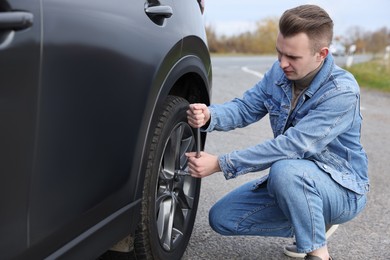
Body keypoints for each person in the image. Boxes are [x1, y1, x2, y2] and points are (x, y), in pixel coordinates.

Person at [185, 4, 369, 260]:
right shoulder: (278, 72)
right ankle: (313, 221)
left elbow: (291, 147)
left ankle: (318, 253)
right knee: (223, 218)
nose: (282, 63)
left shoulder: (341, 92)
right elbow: (246, 108)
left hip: (342, 189)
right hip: (295, 180)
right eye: (279, 53)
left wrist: (221, 163)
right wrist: (210, 115)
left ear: (321, 54)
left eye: (293, 57)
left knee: (285, 168)